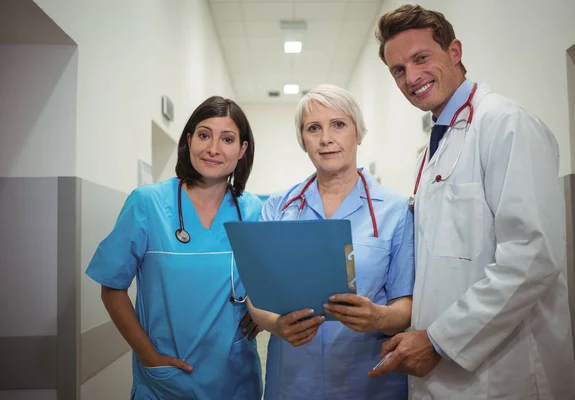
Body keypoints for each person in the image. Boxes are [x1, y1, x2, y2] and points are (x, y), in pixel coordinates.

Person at [368, 4, 575, 399]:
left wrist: (441, 340)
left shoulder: (504, 124)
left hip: (505, 373)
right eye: (398, 69)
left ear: (455, 51)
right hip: (442, 369)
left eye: (421, 58)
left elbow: (532, 255)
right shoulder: (431, 150)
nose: (411, 77)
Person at [85, 96, 263, 399]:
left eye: (228, 139)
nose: (213, 148)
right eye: (204, 135)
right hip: (165, 380)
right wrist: (147, 355)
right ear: (189, 140)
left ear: (242, 149)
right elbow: (111, 288)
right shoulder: (147, 203)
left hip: (236, 377)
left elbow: (266, 281)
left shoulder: (253, 210)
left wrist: (261, 313)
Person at [248, 84, 415, 399]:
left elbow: (405, 305)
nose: (326, 138)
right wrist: (275, 325)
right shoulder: (279, 207)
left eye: (338, 124)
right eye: (313, 128)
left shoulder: (395, 211)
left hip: (368, 382)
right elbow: (256, 295)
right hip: (293, 381)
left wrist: (378, 317)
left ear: (358, 132)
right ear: (303, 141)